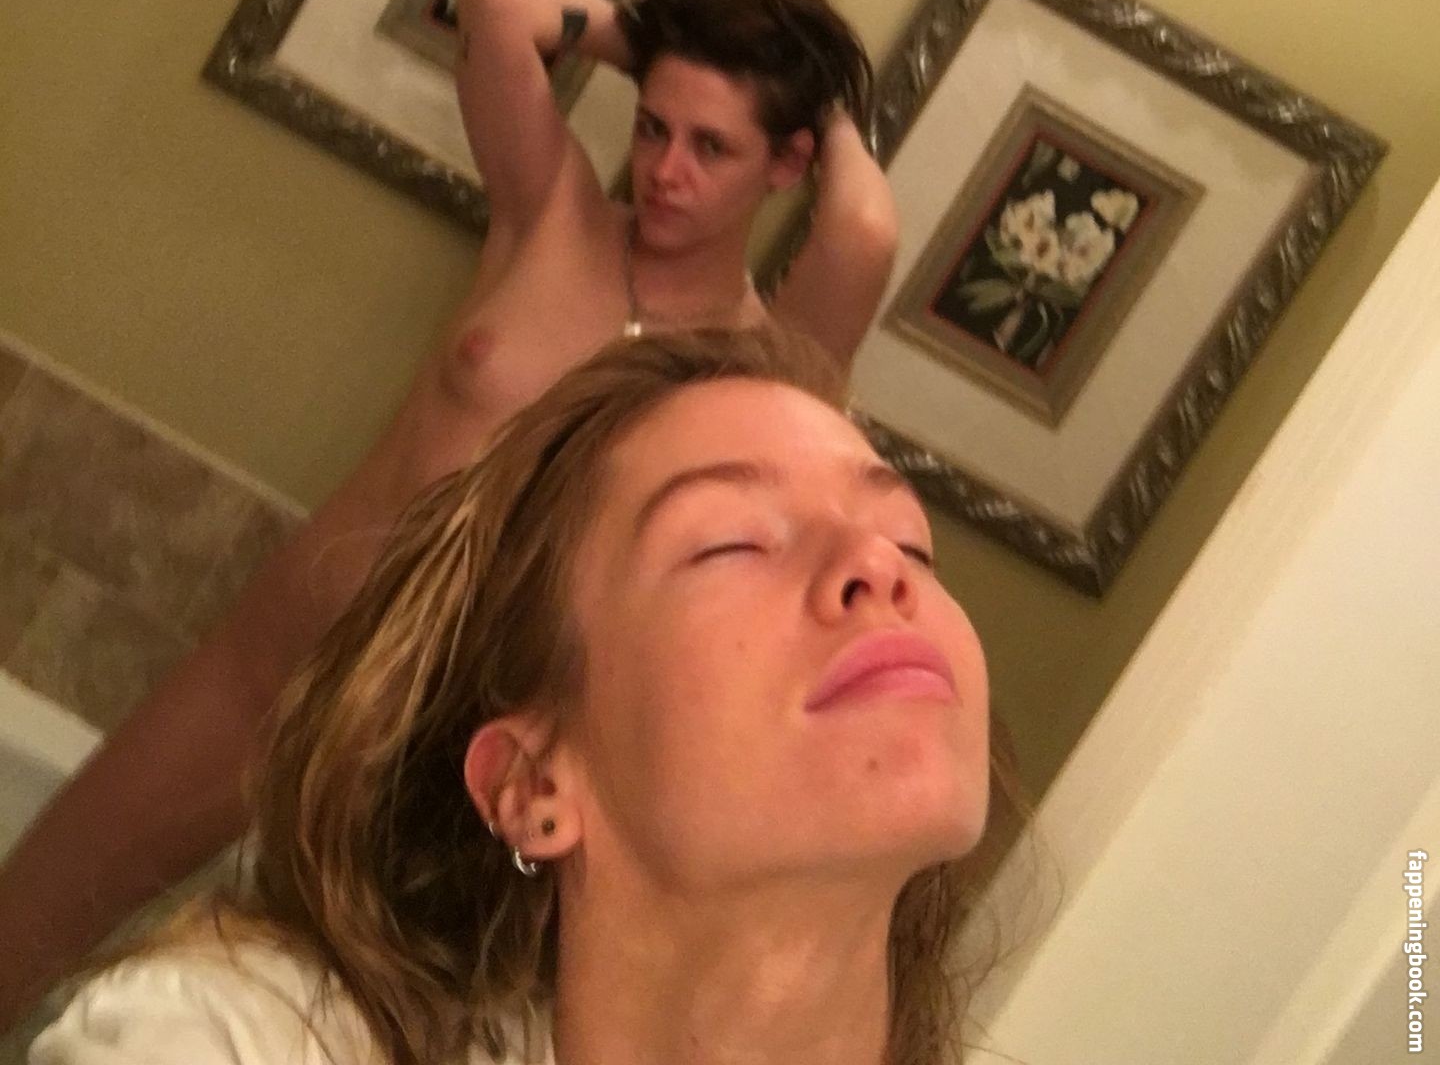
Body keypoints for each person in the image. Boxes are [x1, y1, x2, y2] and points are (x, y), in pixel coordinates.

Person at [0, 0, 901, 1036]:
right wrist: (663, 43)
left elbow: (865, 233)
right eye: (654, 128)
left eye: (713, 148)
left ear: (787, 164)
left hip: (445, 759)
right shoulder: (554, 213)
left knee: (290, 1028)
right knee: (35, 913)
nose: (666, 170)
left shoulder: (755, 364)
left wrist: (817, 101)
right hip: (284, 661)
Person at [30, 326, 1020, 1065]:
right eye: (731, 541)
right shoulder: (237, 1043)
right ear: (532, 784)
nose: (878, 567)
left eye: (913, 544)